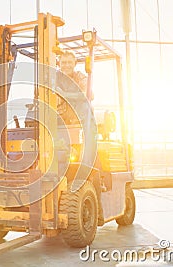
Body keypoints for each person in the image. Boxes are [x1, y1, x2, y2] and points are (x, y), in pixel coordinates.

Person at [58, 51, 105, 226]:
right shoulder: (54, 77)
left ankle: (97, 210)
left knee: (91, 167)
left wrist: (63, 93)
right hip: (61, 128)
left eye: (69, 61)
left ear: (75, 63)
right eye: (63, 62)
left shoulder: (81, 77)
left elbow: (87, 95)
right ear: (59, 62)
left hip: (82, 127)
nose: (66, 64)